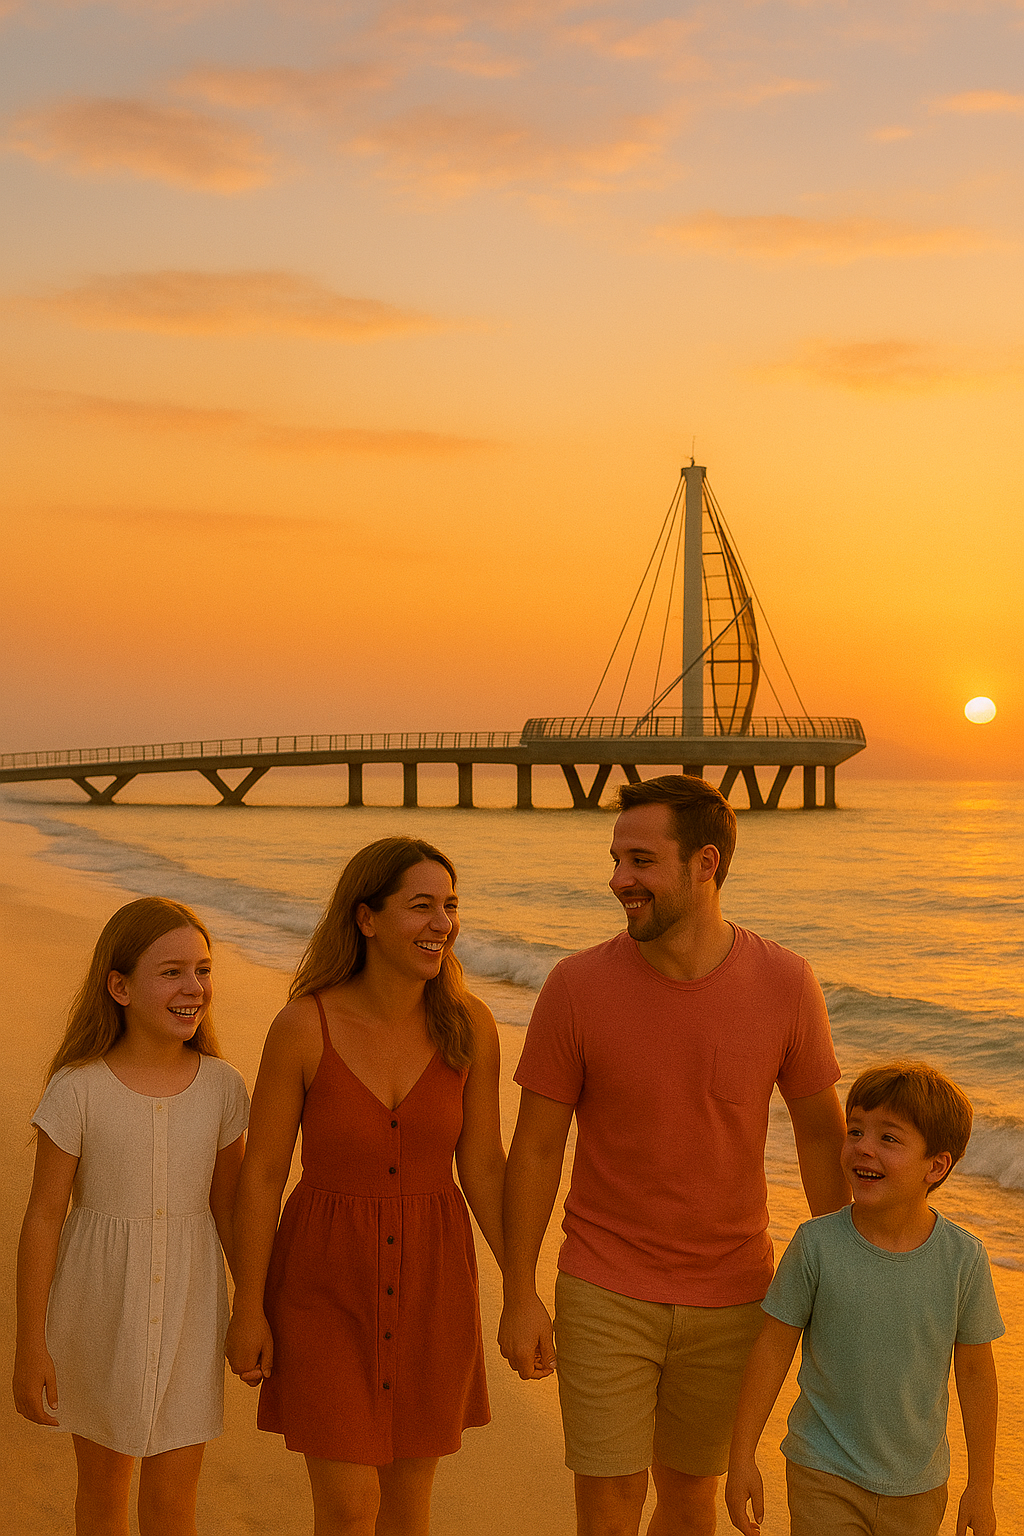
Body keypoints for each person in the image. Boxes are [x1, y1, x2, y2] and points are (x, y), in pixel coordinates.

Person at [498, 774, 849, 1536]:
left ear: (706, 863)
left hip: (735, 1295)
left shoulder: (786, 983)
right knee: (610, 1508)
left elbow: (823, 1136)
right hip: (603, 1286)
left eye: (641, 860)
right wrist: (520, 1290)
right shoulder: (576, 985)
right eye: (617, 859)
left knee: (692, 1506)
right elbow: (534, 1151)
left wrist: (848, 1273)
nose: (619, 879)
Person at [226, 835, 505, 1536]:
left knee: (408, 1510)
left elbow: (484, 1169)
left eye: (450, 905)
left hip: (434, 1284)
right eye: (421, 906)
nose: (443, 922)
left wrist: (524, 1289)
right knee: (350, 1510)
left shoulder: (469, 1027)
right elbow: (261, 1176)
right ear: (367, 917)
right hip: (323, 1284)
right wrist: (248, 1306)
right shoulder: (302, 1025)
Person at [13, 897, 250, 1536]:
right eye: (171, 972)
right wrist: (30, 1343)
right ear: (119, 986)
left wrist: (254, 1307)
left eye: (203, 970)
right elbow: (43, 1218)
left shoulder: (223, 1088)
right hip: (95, 1313)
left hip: (191, 1315)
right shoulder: (78, 1087)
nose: (194, 988)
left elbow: (230, 1211)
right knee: (102, 1502)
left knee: (174, 1508)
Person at [726, 1061, 1002, 1536]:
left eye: (888, 1138)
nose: (862, 1148)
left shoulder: (963, 1259)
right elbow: (772, 1349)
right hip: (822, 1469)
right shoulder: (816, 1245)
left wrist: (981, 1485)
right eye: (855, 1131)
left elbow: (976, 1374)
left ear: (936, 1166)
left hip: (918, 1485)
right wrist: (742, 1455)